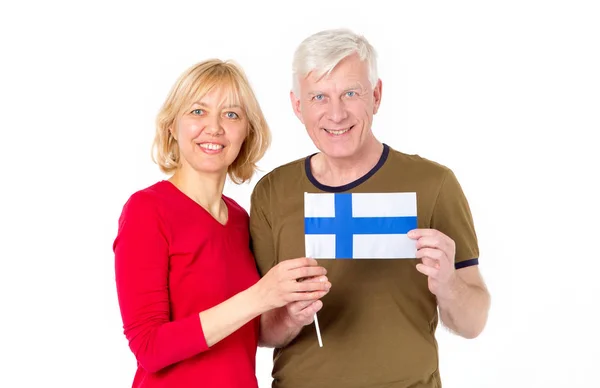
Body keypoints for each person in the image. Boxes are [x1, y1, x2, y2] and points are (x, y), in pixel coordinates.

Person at [249, 29, 491, 388]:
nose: (336, 113)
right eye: (318, 96)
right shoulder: (272, 192)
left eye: (351, 93)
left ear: (376, 96)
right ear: (297, 106)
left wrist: (449, 284)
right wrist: (290, 317)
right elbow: (262, 331)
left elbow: (473, 324)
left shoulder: (433, 185)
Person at [113, 59, 331, 388]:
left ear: (247, 132)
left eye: (231, 115)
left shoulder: (241, 220)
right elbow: (149, 348)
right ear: (173, 125)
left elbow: (248, 333)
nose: (214, 127)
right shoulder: (147, 211)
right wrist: (259, 296)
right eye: (198, 111)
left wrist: (289, 315)